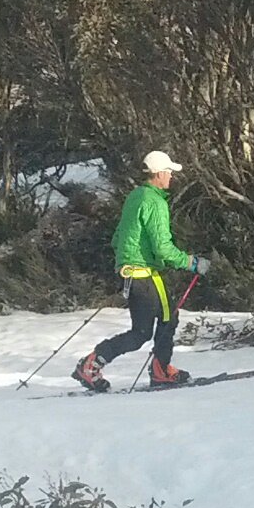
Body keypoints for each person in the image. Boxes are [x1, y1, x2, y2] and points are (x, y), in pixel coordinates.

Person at [74, 150, 214, 391]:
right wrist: (191, 262)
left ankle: (91, 365)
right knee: (168, 317)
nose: (171, 177)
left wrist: (126, 260)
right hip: (145, 274)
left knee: (141, 332)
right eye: (169, 172)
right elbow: (163, 248)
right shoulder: (155, 202)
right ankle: (161, 371)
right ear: (159, 173)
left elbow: (118, 237)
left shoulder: (135, 196)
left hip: (130, 274)